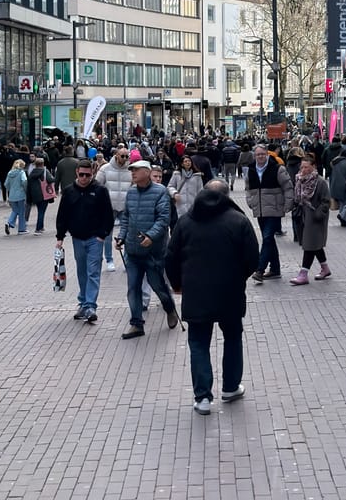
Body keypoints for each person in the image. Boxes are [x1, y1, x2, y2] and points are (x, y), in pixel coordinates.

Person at [166, 179, 259, 415]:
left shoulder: (186, 221)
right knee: (233, 337)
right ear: (227, 196)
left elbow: (171, 257)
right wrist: (239, 276)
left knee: (198, 342)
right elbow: (253, 258)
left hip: (196, 292)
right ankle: (230, 387)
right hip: (230, 291)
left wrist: (177, 284)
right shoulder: (238, 220)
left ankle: (203, 397)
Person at [116, 160, 178, 339]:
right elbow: (126, 217)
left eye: (136, 170)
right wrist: (121, 236)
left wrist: (151, 236)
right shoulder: (131, 192)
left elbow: (163, 219)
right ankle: (136, 324)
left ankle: (170, 308)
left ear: (146, 172)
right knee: (133, 288)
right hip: (133, 250)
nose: (133, 173)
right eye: (132, 171)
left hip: (153, 251)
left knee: (158, 286)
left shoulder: (160, 192)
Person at [56, 159, 114, 323]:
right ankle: (83, 302)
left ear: (92, 174)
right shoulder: (69, 191)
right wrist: (60, 237)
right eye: (81, 174)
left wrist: (102, 234)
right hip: (77, 238)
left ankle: (90, 305)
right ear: (77, 173)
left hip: (95, 238)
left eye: (87, 175)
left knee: (93, 271)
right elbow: (63, 215)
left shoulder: (100, 190)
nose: (84, 178)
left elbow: (108, 215)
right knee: (82, 272)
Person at [245, 143, 293, 283]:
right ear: (254, 156)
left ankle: (260, 270)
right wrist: (250, 201)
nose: (260, 157)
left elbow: (288, 187)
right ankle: (275, 269)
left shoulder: (278, 168)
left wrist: (288, 204)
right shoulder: (251, 169)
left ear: (267, 154)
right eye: (258, 154)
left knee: (267, 238)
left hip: (274, 209)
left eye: (262, 154)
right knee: (269, 239)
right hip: (260, 210)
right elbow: (248, 188)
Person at [289, 155, 332, 285]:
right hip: (303, 217)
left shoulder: (320, 182)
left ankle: (303, 274)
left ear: (313, 167)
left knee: (309, 246)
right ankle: (325, 268)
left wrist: (318, 213)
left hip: (315, 219)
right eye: (302, 167)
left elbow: (326, 201)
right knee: (315, 245)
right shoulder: (299, 180)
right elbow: (297, 198)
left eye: (306, 167)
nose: (303, 170)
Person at [95, 146, 131, 271]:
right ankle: (109, 260)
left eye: (127, 156)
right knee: (107, 235)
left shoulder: (130, 169)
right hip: (109, 207)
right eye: (122, 156)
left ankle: (127, 260)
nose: (125, 158)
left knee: (128, 233)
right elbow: (97, 185)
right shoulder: (105, 169)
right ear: (116, 156)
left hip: (125, 206)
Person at [26, 158, 55, 234]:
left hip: (35, 195)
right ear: (43, 164)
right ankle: (38, 228)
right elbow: (50, 180)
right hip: (44, 194)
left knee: (40, 210)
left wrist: (29, 197)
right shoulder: (45, 171)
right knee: (41, 211)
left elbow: (28, 186)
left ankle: (41, 227)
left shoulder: (31, 173)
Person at [4, 159, 28, 234]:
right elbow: (24, 181)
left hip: (12, 196)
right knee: (21, 212)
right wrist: (25, 190)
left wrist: (11, 189)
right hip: (21, 195)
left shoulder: (9, 173)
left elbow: (6, 184)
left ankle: (9, 222)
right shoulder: (21, 173)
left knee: (15, 210)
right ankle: (21, 229)